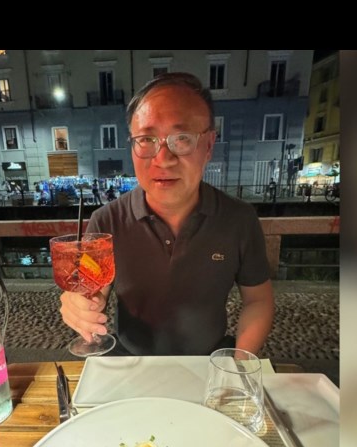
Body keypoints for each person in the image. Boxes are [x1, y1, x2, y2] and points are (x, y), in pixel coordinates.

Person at [59, 73, 274, 356]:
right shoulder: (107, 221)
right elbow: (91, 292)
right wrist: (77, 305)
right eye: (146, 139)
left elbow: (258, 300)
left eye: (182, 138)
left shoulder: (239, 219)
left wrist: (239, 365)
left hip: (209, 361)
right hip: (131, 359)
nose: (163, 158)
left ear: (208, 145)